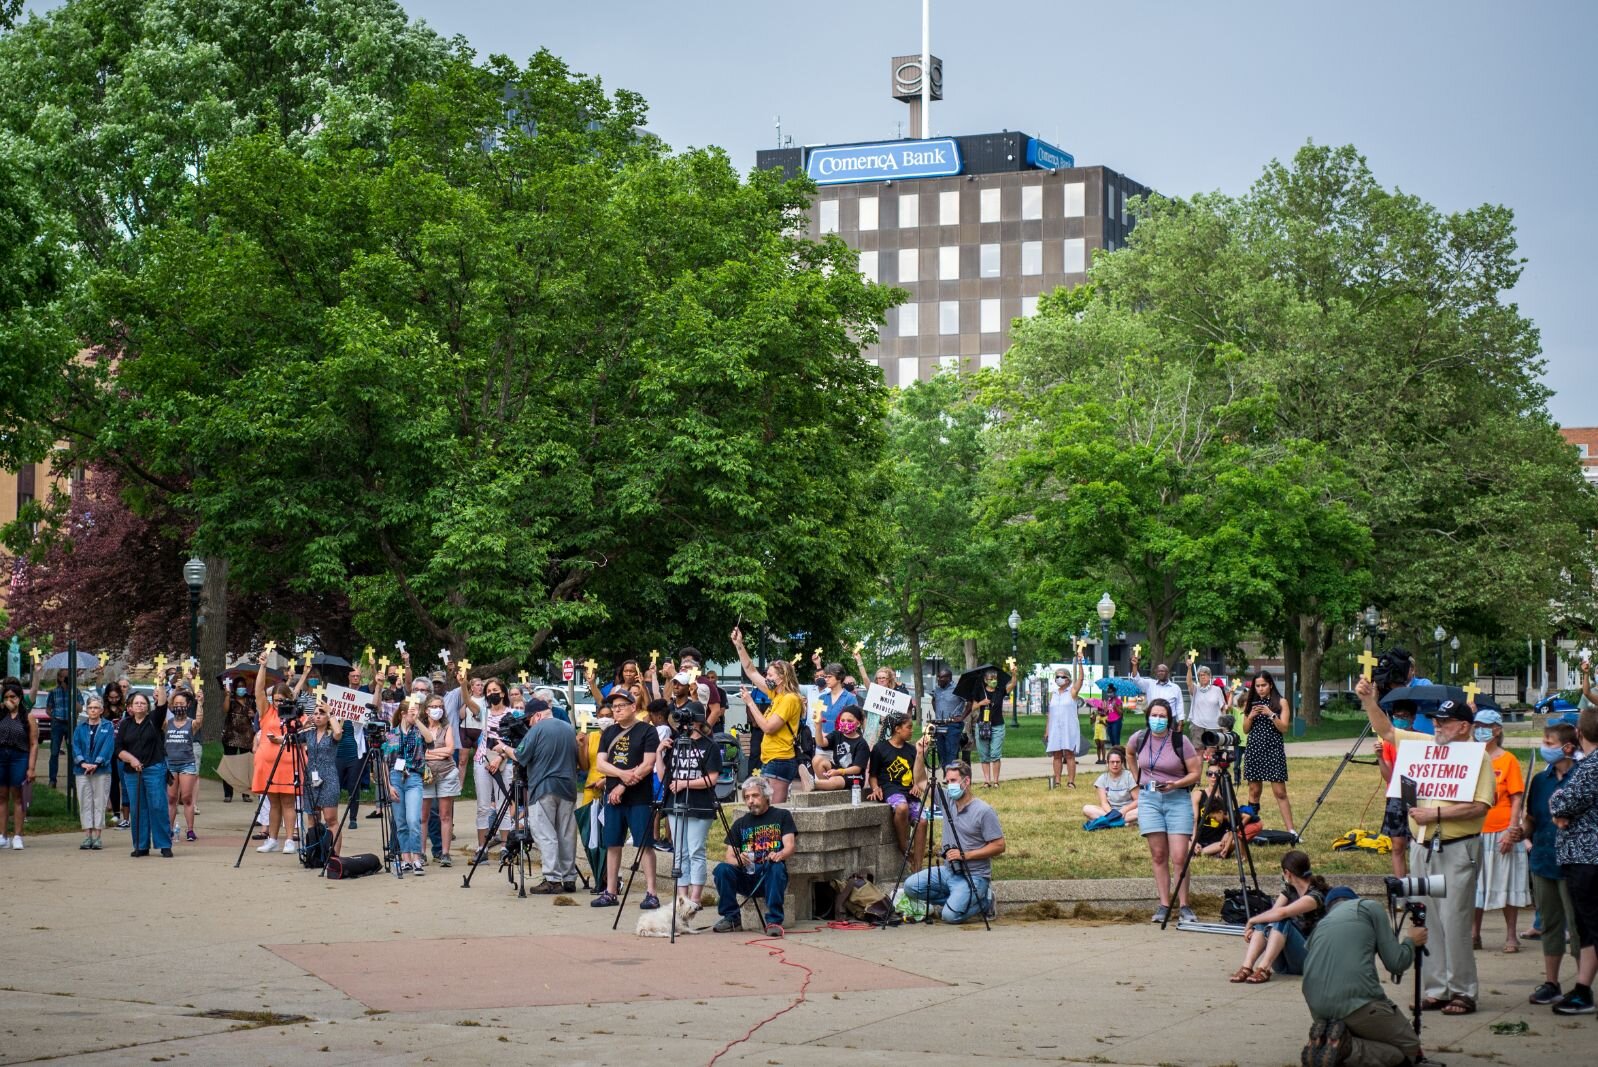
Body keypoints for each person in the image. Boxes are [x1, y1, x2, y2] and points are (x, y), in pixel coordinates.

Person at [1356, 680, 1495, 1015]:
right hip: (1422, 847)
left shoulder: (1478, 758)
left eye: (1444, 722)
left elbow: (1480, 806)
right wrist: (1368, 701)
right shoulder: (1423, 746)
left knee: (1455, 920)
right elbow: (1386, 731)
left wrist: (1436, 813)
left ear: (1464, 727)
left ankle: (1462, 991)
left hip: (1457, 847)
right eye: (1435, 720)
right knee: (1427, 917)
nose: (1437, 726)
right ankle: (1437, 988)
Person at [1299, 886, 1427, 1067]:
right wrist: (1411, 941)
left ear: (1329, 908)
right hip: (1359, 1002)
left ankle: (1329, 1042)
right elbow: (1396, 963)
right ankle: (1349, 1049)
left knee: (1359, 1029)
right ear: (1354, 899)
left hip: (1318, 1008)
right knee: (1410, 1049)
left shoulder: (1320, 926)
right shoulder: (1369, 907)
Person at [1126, 698, 1201, 924]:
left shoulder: (1180, 740)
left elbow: (1195, 773)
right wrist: (1138, 778)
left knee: (1180, 856)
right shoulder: (1140, 738)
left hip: (1177, 798)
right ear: (1147, 716)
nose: (1157, 719)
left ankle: (1185, 905)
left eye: (1162, 716)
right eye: (1154, 715)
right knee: (1159, 855)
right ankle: (1164, 904)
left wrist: (1176, 784)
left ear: (1169, 719)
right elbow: (1129, 753)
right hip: (1150, 799)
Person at [902, 757, 1004, 923]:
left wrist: (966, 855)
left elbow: (999, 846)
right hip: (949, 870)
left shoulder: (984, 811)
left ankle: (985, 901)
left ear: (966, 781)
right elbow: (921, 781)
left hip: (974, 875)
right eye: (947, 781)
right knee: (911, 886)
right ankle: (958, 901)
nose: (950, 785)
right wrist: (920, 754)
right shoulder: (947, 800)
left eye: (953, 780)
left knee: (950, 916)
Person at [1524, 721, 1582, 1006]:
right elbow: (1532, 819)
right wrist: (1520, 832)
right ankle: (1552, 982)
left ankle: (1583, 985)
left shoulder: (1583, 778)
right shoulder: (1539, 781)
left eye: (1549, 742)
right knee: (1550, 924)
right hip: (1543, 860)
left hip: (1574, 864)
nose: (1544, 747)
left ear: (1568, 747)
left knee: (1579, 926)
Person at [1547, 705, 1598, 1015]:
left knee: (1592, 923)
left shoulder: (1592, 766)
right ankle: (1583, 988)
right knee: (1588, 927)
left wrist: (1559, 808)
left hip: (1587, 858)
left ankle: (1583, 990)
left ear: (1579, 734)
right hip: (1583, 857)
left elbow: (1562, 800)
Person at [591, 689, 661, 910]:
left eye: (621, 705)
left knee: (644, 845)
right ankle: (610, 891)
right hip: (613, 797)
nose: (617, 710)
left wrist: (623, 784)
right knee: (612, 843)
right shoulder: (609, 732)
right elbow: (600, 764)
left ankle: (651, 892)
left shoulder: (647, 731)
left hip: (639, 797)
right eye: (614, 707)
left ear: (633, 707)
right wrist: (621, 775)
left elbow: (648, 764)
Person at [501, 697, 579, 894]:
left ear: (537, 715)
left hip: (543, 787)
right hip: (568, 787)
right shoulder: (569, 729)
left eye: (529, 719)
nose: (528, 724)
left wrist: (503, 748)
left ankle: (552, 879)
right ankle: (569, 877)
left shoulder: (537, 729)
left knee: (546, 834)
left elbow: (520, 756)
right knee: (567, 833)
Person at [1470, 708, 1528, 953]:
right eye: (1476, 725)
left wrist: (1511, 829)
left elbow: (1517, 798)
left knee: (1507, 882)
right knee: (1475, 885)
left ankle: (1511, 935)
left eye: (1484, 725)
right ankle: (1474, 934)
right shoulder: (1470, 757)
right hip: (1474, 830)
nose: (1479, 729)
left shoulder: (1508, 760)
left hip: (1501, 830)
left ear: (1496, 729)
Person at [712, 776, 796, 936]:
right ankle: (731, 918)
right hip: (746, 876)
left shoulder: (781, 816)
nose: (750, 800)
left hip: (769, 875)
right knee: (722, 870)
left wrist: (779, 854)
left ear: (766, 796)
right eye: (747, 797)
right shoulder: (740, 824)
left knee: (777, 867)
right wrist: (738, 860)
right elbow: (728, 856)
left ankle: (774, 921)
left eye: (755, 796)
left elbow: (790, 846)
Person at [1230, 850, 1328, 982]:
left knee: (1282, 921)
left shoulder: (1315, 896)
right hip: (1285, 964)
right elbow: (1272, 913)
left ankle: (1264, 968)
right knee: (1265, 920)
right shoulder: (1290, 891)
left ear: (1287, 873)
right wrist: (1257, 929)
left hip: (1308, 961)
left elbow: (1282, 913)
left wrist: (1251, 920)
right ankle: (1247, 967)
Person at [729, 626, 802, 803]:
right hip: (770, 759)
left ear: (782, 678)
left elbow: (768, 728)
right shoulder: (776, 695)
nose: (767, 678)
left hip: (781, 759)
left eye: (770, 675)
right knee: (766, 810)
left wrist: (750, 703)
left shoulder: (789, 699)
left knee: (775, 810)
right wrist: (739, 645)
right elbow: (751, 670)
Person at [657, 707, 721, 907]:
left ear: (700, 722)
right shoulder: (676, 744)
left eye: (691, 721)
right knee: (680, 851)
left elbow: (712, 779)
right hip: (675, 803)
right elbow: (663, 777)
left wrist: (685, 783)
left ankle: (695, 897)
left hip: (699, 805)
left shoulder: (709, 745)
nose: (687, 725)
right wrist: (660, 752)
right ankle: (681, 897)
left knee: (695, 850)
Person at [252, 662, 304, 855]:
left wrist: (285, 738)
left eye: (281, 700)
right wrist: (262, 668)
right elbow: (258, 692)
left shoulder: (294, 714)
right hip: (268, 763)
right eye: (275, 700)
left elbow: (303, 732)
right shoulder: (267, 712)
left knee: (288, 803)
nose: (278, 703)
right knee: (273, 802)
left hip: (288, 763)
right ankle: (272, 839)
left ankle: (290, 839)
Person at [1238, 669, 1296, 837]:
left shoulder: (1281, 702)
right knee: (1254, 791)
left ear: (1270, 685)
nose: (1260, 689)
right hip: (1255, 749)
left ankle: (1291, 830)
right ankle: (1251, 828)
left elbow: (1284, 728)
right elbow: (1245, 730)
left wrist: (1271, 714)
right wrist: (1251, 717)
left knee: (1280, 792)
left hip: (1273, 749)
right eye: (1257, 686)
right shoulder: (1251, 702)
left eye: (1263, 685)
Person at [115, 691, 173, 858]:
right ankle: (141, 845)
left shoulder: (153, 720)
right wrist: (131, 759)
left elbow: (162, 705)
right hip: (132, 773)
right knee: (138, 808)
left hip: (154, 769)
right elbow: (118, 749)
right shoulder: (125, 724)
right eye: (136, 703)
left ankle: (164, 844)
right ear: (130, 707)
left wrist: (161, 685)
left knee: (158, 806)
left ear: (147, 706)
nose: (140, 705)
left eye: (143, 703)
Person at [869, 711, 927, 860]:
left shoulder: (912, 750)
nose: (912, 730)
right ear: (897, 729)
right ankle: (904, 847)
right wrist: (875, 788)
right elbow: (873, 776)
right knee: (902, 807)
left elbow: (919, 775)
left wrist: (916, 785)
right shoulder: (880, 748)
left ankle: (918, 866)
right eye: (908, 727)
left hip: (909, 791)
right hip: (890, 789)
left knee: (923, 820)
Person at [382, 696, 428, 875]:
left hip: (413, 777)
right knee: (400, 822)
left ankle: (417, 857)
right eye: (411, 712)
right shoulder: (390, 734)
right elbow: (385, 763)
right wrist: (388, 786)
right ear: (402, 714)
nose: (414, 714)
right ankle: (405, 858)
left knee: (413, 820)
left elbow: (430, 738)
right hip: (395, 778)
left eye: (417, 711)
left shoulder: (418, 731)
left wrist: (417, 720)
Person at [474, 677, 517, 855]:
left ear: (503, 693)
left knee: (503, 805)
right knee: (483, 806)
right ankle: (481, 846)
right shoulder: (484, 712)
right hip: (482, 761)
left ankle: (504, 846)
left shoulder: (513, 714)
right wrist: (462, 685)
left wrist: (499, 757)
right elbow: (469, 702)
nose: (492, 694)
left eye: (495, 691)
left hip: (504, 761)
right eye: (489, 691)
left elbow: (515, 741)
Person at [417, 689, 460, 867]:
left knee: (445, 815)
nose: (437, 709)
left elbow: (450, 750)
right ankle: (420, 853)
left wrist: (430, 753)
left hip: (446, 773)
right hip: (425, 776)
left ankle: (445, 853)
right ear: (426, 709)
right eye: (433, 706)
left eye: (440, 706)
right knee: (423, 816)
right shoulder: (420, 728)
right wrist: (437, 754)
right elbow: (419, 753)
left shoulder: (447, 727)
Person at [1377, 699, 1419, 878]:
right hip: (1396, 796)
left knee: (1419, 844)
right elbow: (1388, 777)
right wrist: (1380, 757)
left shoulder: (1421, 739)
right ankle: (1401, 885)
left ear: (1413, 718)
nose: (1399, 720)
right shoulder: (1388, 743)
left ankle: (1418, 882)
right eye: (1396, 716)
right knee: (1397, 844)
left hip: (1418, 796)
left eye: (1404, 716)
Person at [0, 681, 38, 850]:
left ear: (19, 698)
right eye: (7, 697)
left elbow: (34, 743)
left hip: (19, 756)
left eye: (13, 697)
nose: (10, 700)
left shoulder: (27, 716)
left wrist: (31, 768)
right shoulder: (1, 714)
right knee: (1, 795)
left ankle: (17, 835)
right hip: (2, 755)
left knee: (17, 795)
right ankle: (2, 835)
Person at [73, 695, 115, 850]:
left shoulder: (108, 726)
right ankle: (87, 836)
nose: (93, 710)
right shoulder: (80, 727)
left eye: (96, 708)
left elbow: (108, 746)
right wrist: (82, 762)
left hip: (101, 770)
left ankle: (97, 836)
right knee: (84, 802)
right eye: (90, 707)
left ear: (102, 710)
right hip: (81, 770)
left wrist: (97, 762)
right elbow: (75, 746)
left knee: (99, 802)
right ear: (86, 709)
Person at [163, 688, 202, 843]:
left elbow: (199, 719)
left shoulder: (191, 723)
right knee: (171, 798)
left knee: (186, 797)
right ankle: (169, 830)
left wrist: (200, 703)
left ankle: (190, 829)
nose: (179, 706)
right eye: (176, 703)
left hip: (187, 764)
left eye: (182, 703)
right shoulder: (167, 723)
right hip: (170, 764)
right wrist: (170, 696)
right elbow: (160, 711)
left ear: (188, 705)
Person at [301, 699, 343, 842]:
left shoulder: (331, 734)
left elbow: (338, 732)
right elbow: (290, 737)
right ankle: (315, 854)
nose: (318, 716)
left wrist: (330, 712)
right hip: (311, 777)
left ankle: (334, 855)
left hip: (329, 777)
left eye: (322, 713)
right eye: (316, 714)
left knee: (330, 818)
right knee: (313, 817)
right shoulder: (309, 733)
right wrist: (305, 723)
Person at [31, 666, 80, 789]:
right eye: (63, 676)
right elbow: (48, 709)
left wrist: (72, 694)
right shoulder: (53, 692)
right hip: (57, 724)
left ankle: (72, 780)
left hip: (71, 723)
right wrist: (54, 717)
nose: (66, 678)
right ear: (59, 678)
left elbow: (80, 709)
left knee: (73, 753)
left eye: (68, 676)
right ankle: (52, 780)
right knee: (54, 753)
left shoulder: (76, 691)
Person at [1044, 654, 1085, 789]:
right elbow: (1050, 713)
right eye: (1057, 676)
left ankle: (1071, 781)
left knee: (1069, 754)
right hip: (1055, 727)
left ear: (1068, 679)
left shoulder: (1072, 692)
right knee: (1056, 754)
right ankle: (1057, 781)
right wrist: (1047, 730)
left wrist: (1080, 663)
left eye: (1062, 676)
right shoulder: (1053, 694)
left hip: (1069, 727)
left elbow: (1081, 679)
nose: (1059, 679)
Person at [811, 706, 870, 792]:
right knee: (817, 760)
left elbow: (857, 769)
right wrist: (818, 726)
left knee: (835, 780)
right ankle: (826, 786)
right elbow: (821, 743)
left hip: (855, 776)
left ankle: (813, 784)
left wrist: (839, 772)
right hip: (838, 771)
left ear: (858, 723)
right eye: (842, 721)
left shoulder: (862, 744)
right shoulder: (837, 734)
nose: (845, 723)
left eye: (849, 721)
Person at [971, 668, 1009, 788]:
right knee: (984, 754)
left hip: (997, 725)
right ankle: (987, 781)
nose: (993, 681)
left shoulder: (1000, 690)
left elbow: (1012, 684)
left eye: (995, 679)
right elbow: (972, 707)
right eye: (991, 679)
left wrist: (1014, 674)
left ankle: (996, 781)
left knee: (995, 754)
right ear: (985, 680)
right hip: (983, 725)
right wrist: (981, 703)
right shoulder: (979, 690)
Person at [221, 675, 256, 805]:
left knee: (245, 765)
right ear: (235, 688)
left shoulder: (251, 700)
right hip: (231, 735)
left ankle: (245, 793)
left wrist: (253, 714)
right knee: (230, 764)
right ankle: (228, 793)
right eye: (239, 686)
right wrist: (226, 696)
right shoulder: (231, 699)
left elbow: (257, 716)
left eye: (243, 686)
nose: (241, 688)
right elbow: (225, 710)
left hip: (246, 736)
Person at [1082, 747, 1139, 825]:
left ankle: (1110, 822)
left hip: (1128, 811)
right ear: (1107, 762)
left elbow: (1137, 800)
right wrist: (1112, 814)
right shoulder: (1102, 779)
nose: (1115, 764)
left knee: (1142, 810)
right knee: (1087, 808)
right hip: (1109, 812)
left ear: (1122, 762)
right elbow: (1104, 803)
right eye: (1112, 762)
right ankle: (1120, 822)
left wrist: (1123, 810)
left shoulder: (1130, 776)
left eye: (1117, 762)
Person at [1130, 650, 1185, 726]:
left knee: (1171, 738)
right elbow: (1136, 680)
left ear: (1167, 673)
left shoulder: (1175, 688)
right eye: (1158, 671)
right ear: (1156, 673)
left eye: (1163, 671)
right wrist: (1135, 665)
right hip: (1154, 720)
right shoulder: (1150, 684)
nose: (1160, 673)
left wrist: (1180, 721)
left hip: (1170, 720)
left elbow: (1179, 705)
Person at [101, 680, 130, 826]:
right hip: (109, 748)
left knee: (125, 780)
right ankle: (116, 813)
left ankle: (126, 813)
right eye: (111, 697)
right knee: (113, 781)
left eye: (116, 697)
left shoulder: (124, 709)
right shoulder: (104, 710)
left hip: (122, 748)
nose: (113, 700)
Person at [928, 667, 968, 769]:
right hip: (939, 724)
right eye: (938, 677)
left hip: (953, 725)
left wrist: (962, 717)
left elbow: (970, 703)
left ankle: (953, 776)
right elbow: (933, 700)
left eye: (941, 677)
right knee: (941, 751)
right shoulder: (937, 689)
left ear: (949, 678)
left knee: (951, 751)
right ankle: (947, 775)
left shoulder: (958, 688)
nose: (939, 679)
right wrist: (937, 712)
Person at [1187, 660, 1226, 744]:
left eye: (1205, 675)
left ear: (1210, 677)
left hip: (1214, 726)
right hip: (1197, 725)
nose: (1203, 677)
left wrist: (1223, 725)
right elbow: (1189, 683)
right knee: (1198, 751)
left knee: (1211, 752)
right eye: (1200, 675)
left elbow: (1223, 708)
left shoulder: (1217, 690)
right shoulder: (1195, 689)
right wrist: (1189, 668)